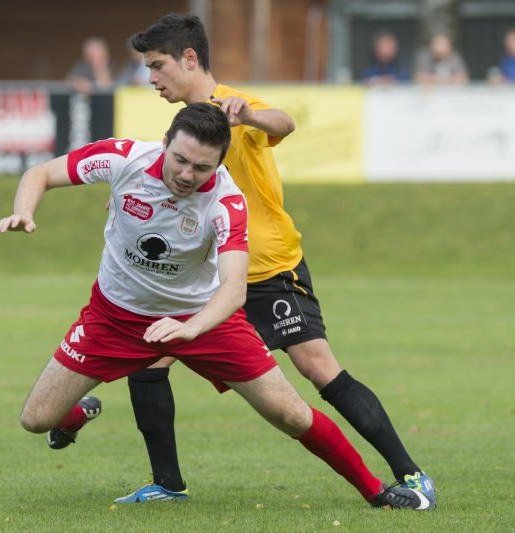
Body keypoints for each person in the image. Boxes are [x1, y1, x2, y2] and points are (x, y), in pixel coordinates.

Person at [50, 14, 435, 508]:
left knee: (319, 369)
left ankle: (411, 473)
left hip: (268, 270)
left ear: (190, 59)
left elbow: (285, 122)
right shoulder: (186, 133)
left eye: (158, 66)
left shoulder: (233, 106)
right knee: (150, 359)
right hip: (207, 282)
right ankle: (167, 484)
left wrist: (249, 115)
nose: (152, 79)